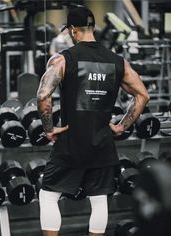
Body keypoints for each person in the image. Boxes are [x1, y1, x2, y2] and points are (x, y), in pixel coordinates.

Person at [37, 6, 149, 236]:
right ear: (94, 28)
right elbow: (142, 95)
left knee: (48, 195)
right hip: (102, 142)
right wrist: (121, 126)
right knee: (99, 201)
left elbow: (42, 96)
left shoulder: (62, 59)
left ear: (71, 30)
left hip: (70, 142)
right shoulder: (117, 61)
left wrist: (49, 129)